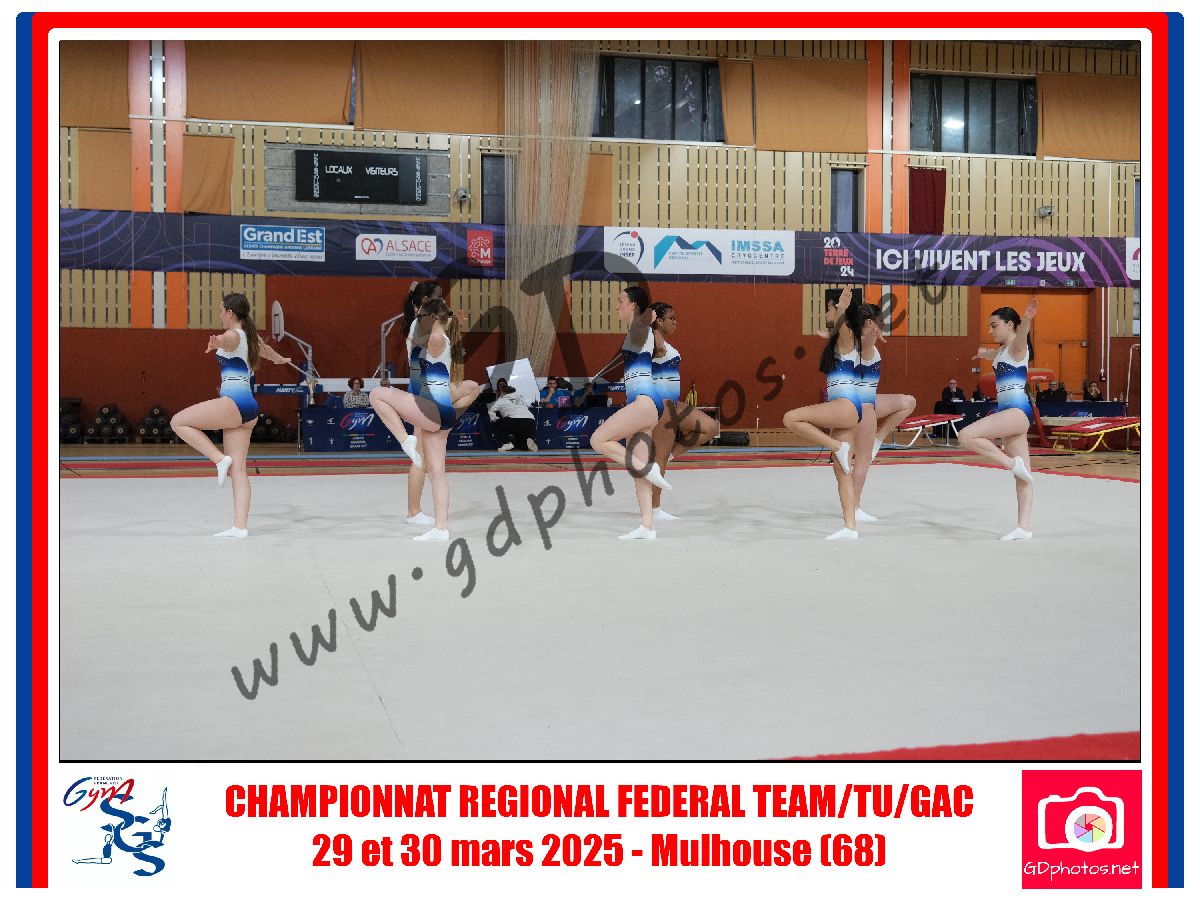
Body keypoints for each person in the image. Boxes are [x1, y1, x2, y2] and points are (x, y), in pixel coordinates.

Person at [169, 292, 291, 538]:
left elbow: (228, 340)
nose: (220, 315)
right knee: (239, 470)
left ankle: (218, 459)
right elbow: (267, 352)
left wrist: (218, 342)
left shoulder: (233, 335)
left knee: (178, 422)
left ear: (230, 313)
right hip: (249, 407)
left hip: (235, 402)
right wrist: (281, 359)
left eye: (221, 310)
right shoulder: (252, 337)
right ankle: (239, 527)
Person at [371, 299, 467, 541]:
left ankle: (405, 441)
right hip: (439, 408)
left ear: (432, 318)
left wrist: (419, 316)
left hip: (428, 407)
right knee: (435, 471)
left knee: (377, 395)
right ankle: (439, 527)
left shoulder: (433, 338)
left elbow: (423, 336)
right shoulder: (440, 335)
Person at [782, 285, 867, 540]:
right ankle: (850, 528)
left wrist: (841, 308)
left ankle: (836, 446)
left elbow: (842, 326)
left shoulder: (848, 335)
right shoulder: (839, 340)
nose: (826, 314)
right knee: (843, 471)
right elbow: (836, 329)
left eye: (828, 310)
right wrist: (829, 330)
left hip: (846, 405)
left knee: (790, 418)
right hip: (847, 407)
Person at [587, 285, 672, 540]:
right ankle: (647, 526)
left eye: (620, 300)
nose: (617, 305)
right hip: (645, 403)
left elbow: (647, 324)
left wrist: (649, 317)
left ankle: (648, 468)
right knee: (637, 468)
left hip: (644, 402)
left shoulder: (639, 326)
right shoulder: (636, 330)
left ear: (633, 304)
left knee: (598, 440)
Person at [957, 298, 1039, 541]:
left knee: (966, 435)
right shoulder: (1003, 351)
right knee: (1023, 475)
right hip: (1010, 413)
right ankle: (1024, 527)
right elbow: (995, 354)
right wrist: (984, 354)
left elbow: (1022, 336)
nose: (990, 330)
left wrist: (1026, 320)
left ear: (1010, 325)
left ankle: (1010, 463)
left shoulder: (1017, 347)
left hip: (1016, 410)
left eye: (994, 325)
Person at [399, 281, 480, 527]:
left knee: (473, 387)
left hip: (428, 388)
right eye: (440, 297)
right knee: (421, 457)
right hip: (427, 391)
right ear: (427, 302)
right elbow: (432, 348)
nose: (445, 301)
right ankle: (413, 512)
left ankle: (413, 511)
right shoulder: (425, 327)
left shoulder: (421, 323)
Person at [646, 302, 719, 522]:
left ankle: (670, 454)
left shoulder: (664, 343)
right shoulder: (653, 341)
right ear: (659, 320)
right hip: (662, 407)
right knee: (658, 461)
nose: (675, 322)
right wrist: (649, 325)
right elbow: (656, 348)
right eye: (671, 318)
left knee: (710, 427)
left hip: (675, 405)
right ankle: (654, 509)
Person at [851, 313, 915, 524]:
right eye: (878, 323)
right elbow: (865, 344)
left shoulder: (853, 341)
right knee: (863, 460)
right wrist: (871, 335)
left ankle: (879, 438)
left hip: (866, 400)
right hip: (859, 406)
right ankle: (854, 507)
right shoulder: (862, 344)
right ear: (869, 323)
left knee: (908, 402)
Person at [488, 379, 538, 451]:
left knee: (496, 424)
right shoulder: (520, 398)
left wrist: (495, 419)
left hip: (514, 421)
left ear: (504, 392)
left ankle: (507, 443)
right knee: (519, 442)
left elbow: (491, 410)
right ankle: (527, 445)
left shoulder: (502, 399)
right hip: (531, 422)